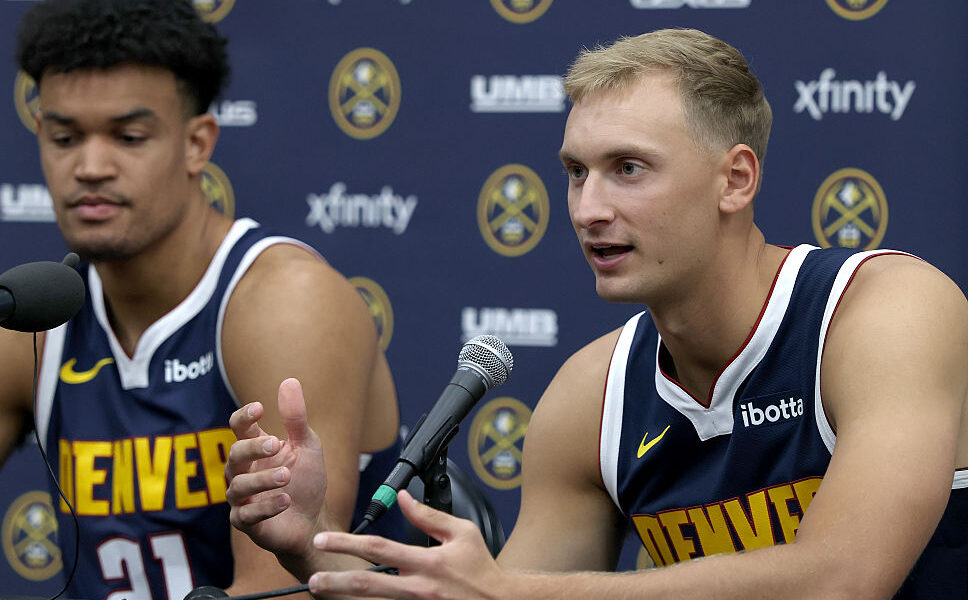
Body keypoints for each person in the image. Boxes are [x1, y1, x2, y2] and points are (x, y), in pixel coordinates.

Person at [224, 28, 968, 599]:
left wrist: (519, 592)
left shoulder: (883, 310)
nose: (588, 209)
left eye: (629, 169)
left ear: (735, 180)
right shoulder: (593, 396)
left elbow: (843, 579)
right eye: (576, 172)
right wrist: (311, 546)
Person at [0, 1, 403, 599]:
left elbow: (281, 590)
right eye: (66, 137)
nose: (90, 167)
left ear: (197, 143)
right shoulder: (29, 322)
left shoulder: (280, 301)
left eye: (128, 136)